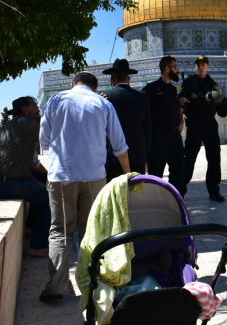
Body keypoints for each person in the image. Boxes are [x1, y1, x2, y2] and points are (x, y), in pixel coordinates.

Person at [38, 71, 131, 303]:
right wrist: (129, 175)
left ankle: (55, 287)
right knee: (92, 232)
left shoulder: (56, 100)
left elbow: (44, 140)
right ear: (93, 86)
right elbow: (119, 145)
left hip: (61, 176)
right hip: (93, 177)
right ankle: (91, 285)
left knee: (60, 231)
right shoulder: (102, 103)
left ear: (73, 84)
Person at [0, 96, 50, 258]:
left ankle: (31, 228)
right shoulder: (28, 124)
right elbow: (53, 123)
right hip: (13, 184)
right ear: (25, 109)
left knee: (42, 183)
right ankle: (38, 246)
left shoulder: (8, 126)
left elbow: (33, 165)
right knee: (48, 201)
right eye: (35, 106)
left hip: (1, 183)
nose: (38, 109)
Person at [179, 55, 227, 202]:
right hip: (194, 124)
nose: (200, 67)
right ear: (195, 66)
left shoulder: (213, 84)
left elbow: (222, 109)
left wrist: (219, 95)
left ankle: (214, 191)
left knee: (214, 158)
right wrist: (181, 99)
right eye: (198, 65)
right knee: (189, 158)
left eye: (203, 64)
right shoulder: (189, 82)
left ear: (207, 66)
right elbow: (181, 96)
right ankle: (180, 191)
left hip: (209, 124)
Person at [142, 55, 186, 195]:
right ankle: (154, 201)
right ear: (167, 69)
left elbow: (178, 106)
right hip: (158, 137)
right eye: (175, 66)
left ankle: (177, 200)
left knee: (178, 170)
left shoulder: (173, 90)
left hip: (174, 136)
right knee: (155, 172)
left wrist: (181, 121)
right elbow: (143, 111)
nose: (177, 69)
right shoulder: (151, 89)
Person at [102, 58, 151, 181]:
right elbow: (147, 130)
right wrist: (145, 156)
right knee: (134, 194)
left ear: (112, 79)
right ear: (128, 79)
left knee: (114, 195)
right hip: (137, 156)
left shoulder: (105, 98)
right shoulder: (142, 98)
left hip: (111, 157)